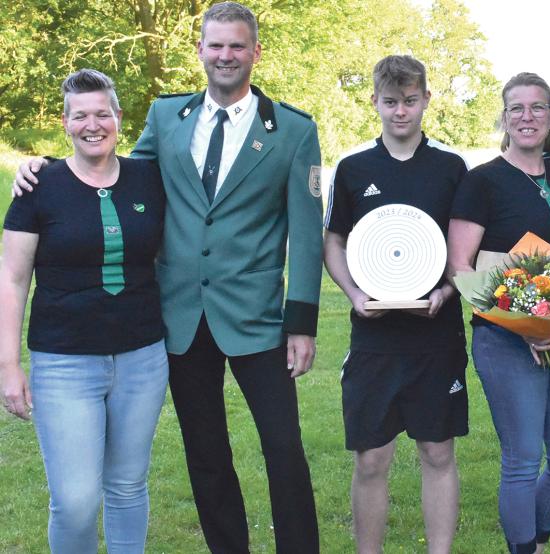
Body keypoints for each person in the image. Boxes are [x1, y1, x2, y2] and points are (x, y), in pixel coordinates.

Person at [13, 3, 325, 552]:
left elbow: (306, 231)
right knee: (206, 455)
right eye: (215, 45)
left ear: (254, 52)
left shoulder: (293, 131)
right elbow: (116, 175)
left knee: (283, 448)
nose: (225, 55)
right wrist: (45, 167)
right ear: (200, 51)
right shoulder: (167, 117)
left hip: (257, 319)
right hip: (179, 319)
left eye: (236, 45)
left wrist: (301, 322)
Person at [0, 69, 169, 552]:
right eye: (80, 116)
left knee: (128, 486)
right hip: (64, 362)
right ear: (65, 122)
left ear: (118, 117)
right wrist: (8, 366)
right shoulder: (39, 186)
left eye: (102, 113)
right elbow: (12, 279)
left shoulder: (148, 178)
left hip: (142, 358)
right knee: (74, 499)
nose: (92, 125)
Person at [323, 55, 468, 554]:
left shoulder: (451, 168)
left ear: (427, 99)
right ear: (375, 103)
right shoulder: (353, 168)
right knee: (371, 460)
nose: (400, 112)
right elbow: (334, 242)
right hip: (375, 339)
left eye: (410, 101)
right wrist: (356, 295)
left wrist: (448, 291)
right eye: (390, 102)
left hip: (436, 335)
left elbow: (461, 248)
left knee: (437, 450)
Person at [448, 72, 550, 554]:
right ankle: (524, 547)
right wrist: (523, 325)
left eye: (537, 108)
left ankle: (536, 539)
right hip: (505, 340)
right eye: (517, 109)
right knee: (524, 458)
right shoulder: (482, 181)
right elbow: (461, 266)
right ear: (504, 118)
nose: (527, 117)